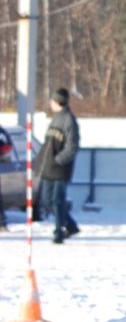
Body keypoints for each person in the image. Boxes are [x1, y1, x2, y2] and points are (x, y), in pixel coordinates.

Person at [34, 88, 80, 241]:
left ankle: (58, 231)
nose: (50, 103)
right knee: (47, 201)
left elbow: (72, 147)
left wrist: (58, 161)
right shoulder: (55, 119)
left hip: (60, 169)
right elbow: (48, 145)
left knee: (57, 200)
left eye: (52, 100)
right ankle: (70, 225)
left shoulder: (68, 120)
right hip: (48, 168)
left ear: (57, 101)